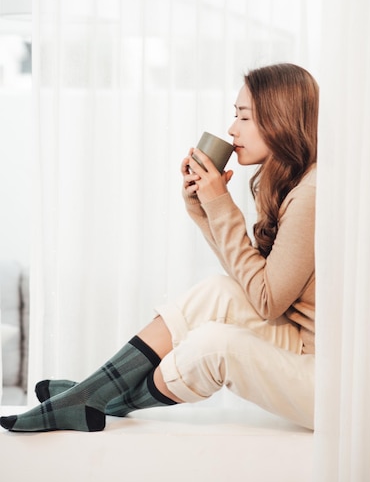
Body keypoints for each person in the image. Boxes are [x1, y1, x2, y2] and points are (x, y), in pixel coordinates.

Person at [1, 62, 318, 433]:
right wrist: (204, 210)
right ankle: (90, 397)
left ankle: (92, 397)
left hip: (326, 378)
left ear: (280, 117)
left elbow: (266, 300)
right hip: (302, 343)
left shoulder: (311, 193)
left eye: (244, 117)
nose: (232, 129)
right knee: (219, 290)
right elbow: (252, 283)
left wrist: (220, 205)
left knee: (214, 344)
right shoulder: (298, 183)